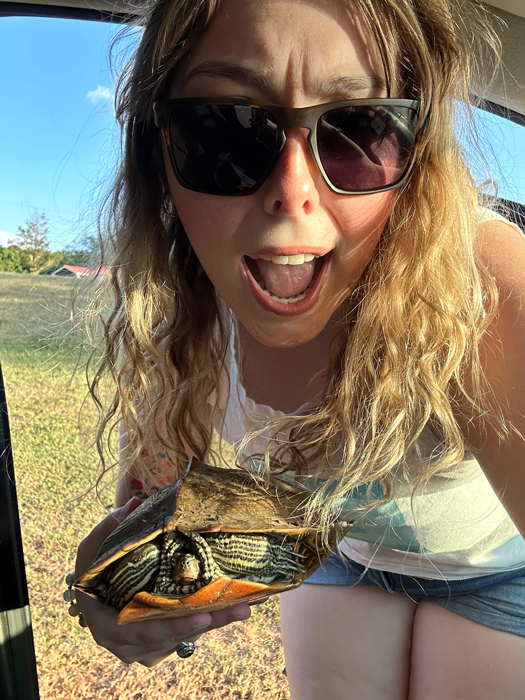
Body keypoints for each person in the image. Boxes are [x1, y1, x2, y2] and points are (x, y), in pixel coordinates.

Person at [71, 0, 525, 697]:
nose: (291, 191)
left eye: (358, 129)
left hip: (496, 571)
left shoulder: (478, 283)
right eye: (226, 128)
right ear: (157, 150)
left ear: (416, 159)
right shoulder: (183, 326)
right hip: (342, 557)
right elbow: (151, 509)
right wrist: (110, 580)